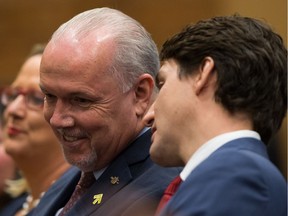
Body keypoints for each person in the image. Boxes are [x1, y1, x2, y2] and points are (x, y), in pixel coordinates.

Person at [35, 7, 180, 216]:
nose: (57, 120)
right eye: (49, 96)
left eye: (80, 100)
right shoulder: (81, 172)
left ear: (140, 93)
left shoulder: (161, 193)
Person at [143, 15, 287, 216]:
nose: (147, 115)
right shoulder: (228, 174)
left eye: (162, 83)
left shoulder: (239, 175)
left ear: (204, 73)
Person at [0, 44, 72, 216]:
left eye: (36, 98)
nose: (13, 110)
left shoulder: (77, 203)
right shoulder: (14, 207)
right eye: (14, 95)